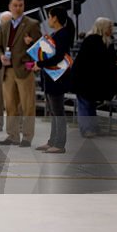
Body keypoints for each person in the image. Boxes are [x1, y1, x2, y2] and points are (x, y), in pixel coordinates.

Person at [0, 0, 42, 147]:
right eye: (15, 5)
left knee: (28, 105)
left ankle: (27, 137)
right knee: (10, 105)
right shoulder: (5, 25)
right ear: (9, 6)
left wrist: (32, 42)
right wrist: (1, 56)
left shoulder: (32, 24)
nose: (18, 8)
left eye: (21, 5)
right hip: (7, 71)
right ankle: (12, 135)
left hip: (24, 70)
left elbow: (41, 47)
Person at [34, 8, 74, 153]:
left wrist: (40, 64)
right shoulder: (55, 34)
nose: (48, 20)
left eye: (49, 17)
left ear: (55, 18)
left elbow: (58, 57)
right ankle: (52, 141)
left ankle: (60, 143)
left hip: (58, 77)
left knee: (58, 111)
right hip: (50, 77)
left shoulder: (63, 34)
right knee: (52, 110)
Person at [72, 17, 117, 138]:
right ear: (103, 28)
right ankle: (86, 129)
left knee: (91, 105)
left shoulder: (107, 41)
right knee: (85, 105)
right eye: (109, 27)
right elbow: (85, 62)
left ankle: (93, 128)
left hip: (93, 80)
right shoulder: (92, 41)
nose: (111, 29)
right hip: (85, 79)